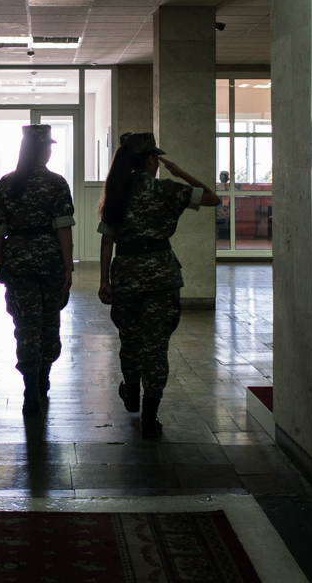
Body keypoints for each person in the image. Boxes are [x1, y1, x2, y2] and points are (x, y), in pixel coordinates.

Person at [96, 132, 220, 438]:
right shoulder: (167, 189)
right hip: (162, 277)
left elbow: (107, 239)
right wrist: (179, 172)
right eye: (156, 158)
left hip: (126, 274)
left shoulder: (117, 191)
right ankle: (150, 416)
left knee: (131, 340)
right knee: (155, 345)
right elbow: (212, 198)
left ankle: (132, 392)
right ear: (151, 159)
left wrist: (104, 280)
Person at [0, 124, 75, 414]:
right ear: (44, 149)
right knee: (49, 323)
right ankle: (43, 377)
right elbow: (64, 230)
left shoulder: (7, 183)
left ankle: (30, 388)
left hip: (17, 263)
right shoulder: (57, 184)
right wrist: (68, 268)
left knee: (25, 326)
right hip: (50, 262)